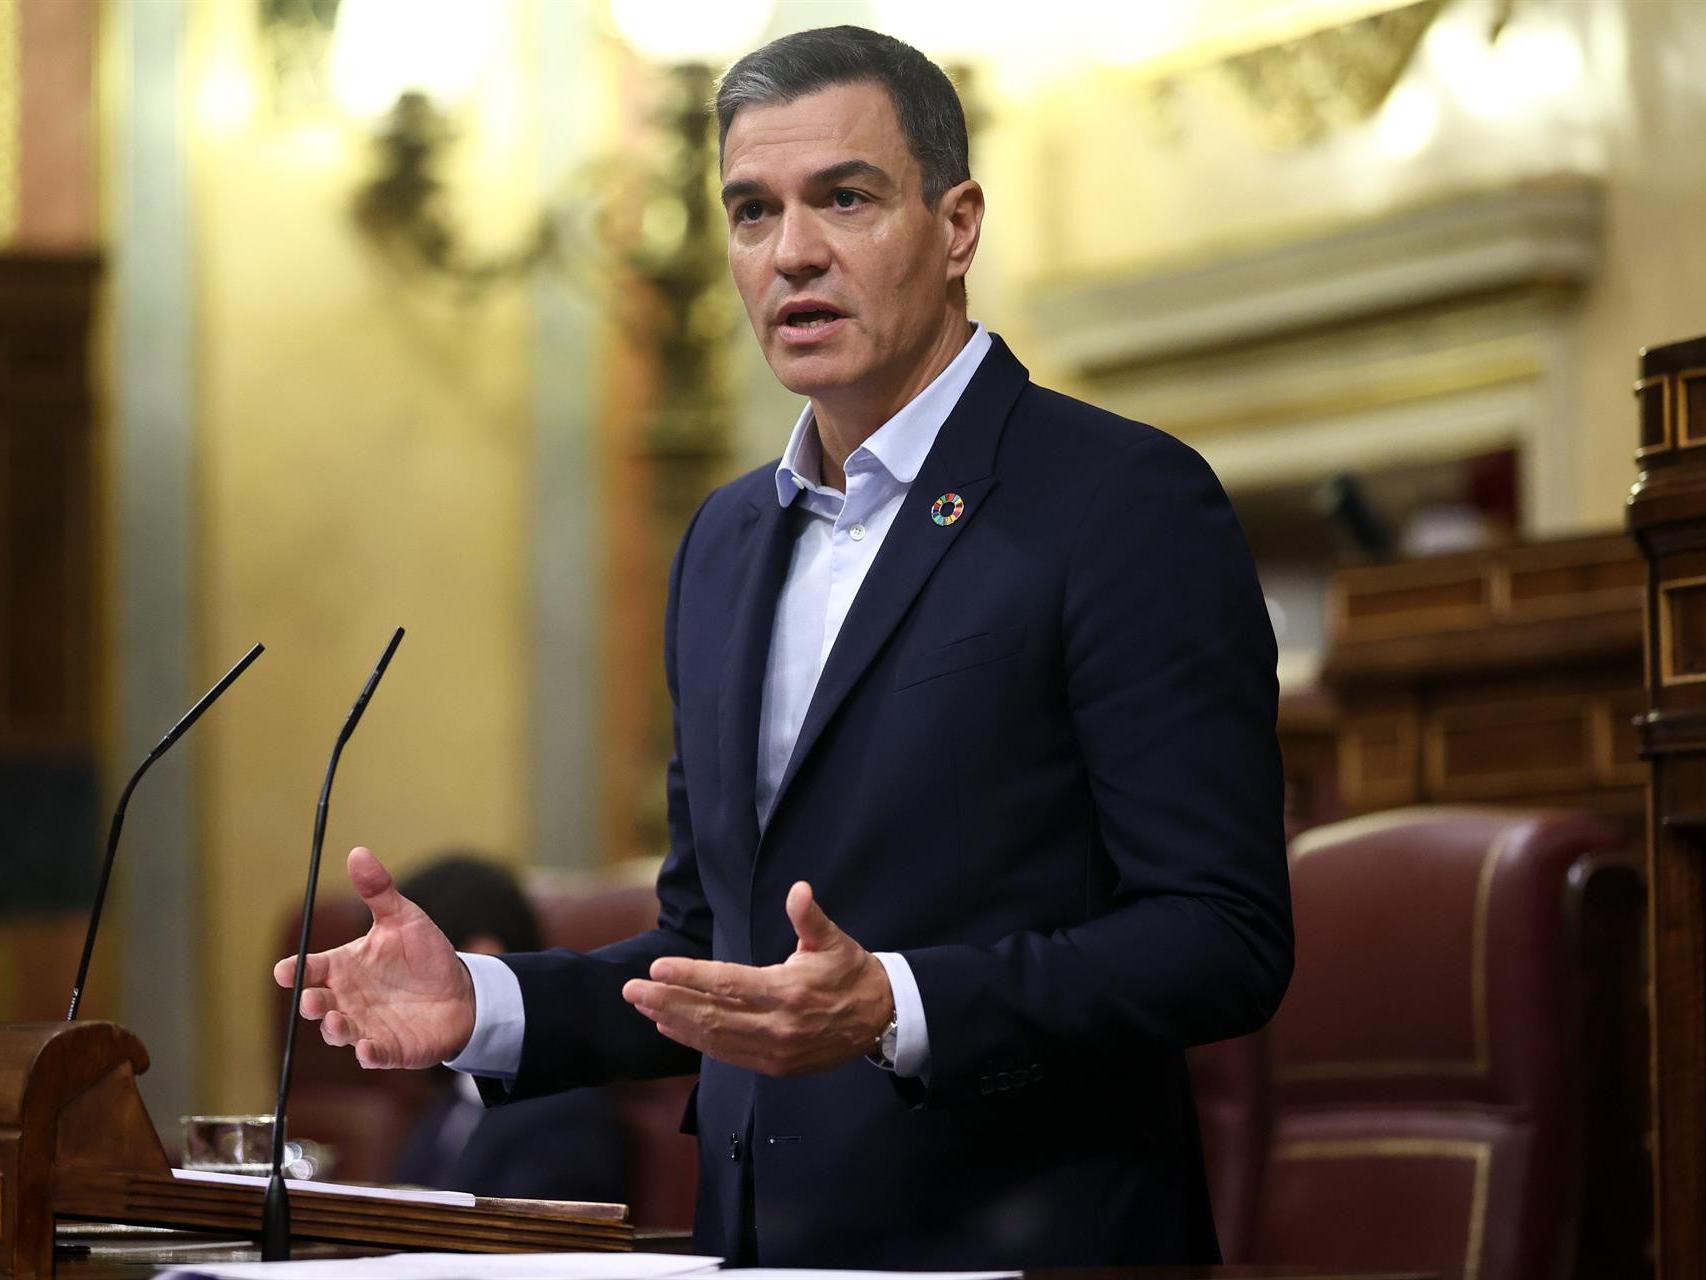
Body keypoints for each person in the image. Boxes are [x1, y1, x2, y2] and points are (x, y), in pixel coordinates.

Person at [276, 25, 1292, 1268]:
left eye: (845, 198)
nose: (791, 252)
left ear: (957, 222)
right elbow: (713, 956)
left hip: (1024, 1241)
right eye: (751, 212)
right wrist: (483, 1003)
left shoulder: (1118, 499)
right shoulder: (722, 542)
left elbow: (1217, 935)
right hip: (758, 1242)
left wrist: (894, 1007)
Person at [387, 854, 628, 1205]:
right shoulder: (449, 1096)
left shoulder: (561, 1111)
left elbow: (531, 1243)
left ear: (481, 955)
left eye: (405, 967)